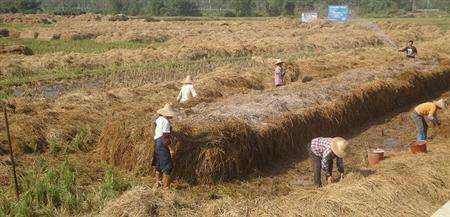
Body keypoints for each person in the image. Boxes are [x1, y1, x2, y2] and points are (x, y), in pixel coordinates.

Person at [151, 103, 177, 190]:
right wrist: (171, 149)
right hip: (162, 143)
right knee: (168, 166)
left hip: (156, 142)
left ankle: (158, 183)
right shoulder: (166, 122)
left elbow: (155, 124)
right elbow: (165, 138)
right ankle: (165, 188)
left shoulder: (159, 119)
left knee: (158, 164)